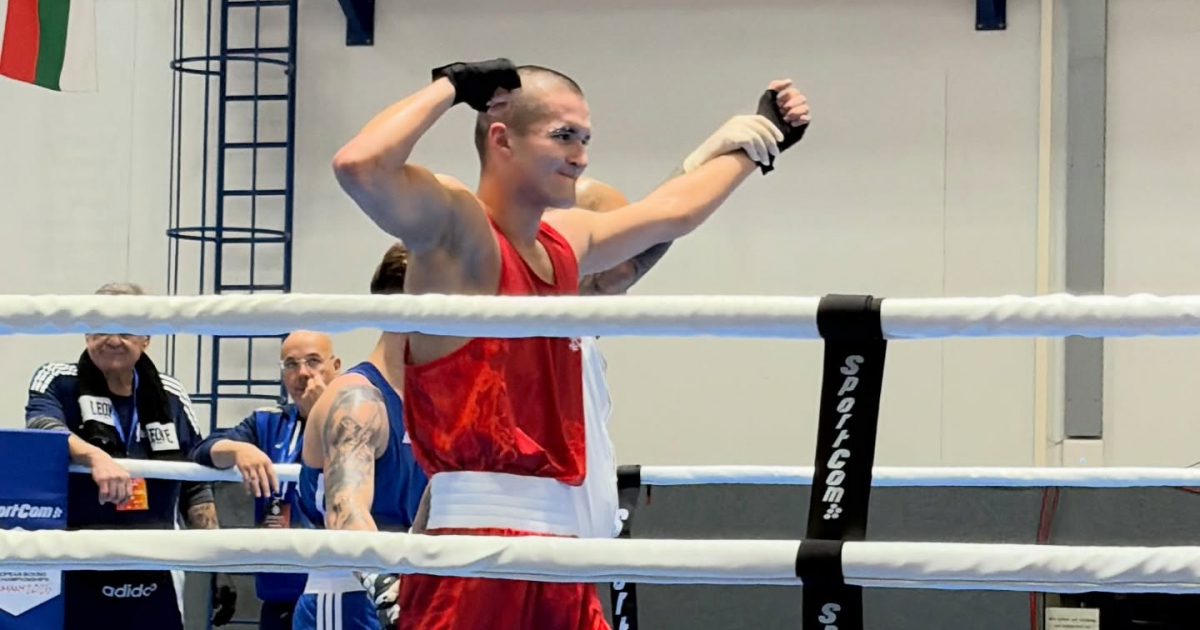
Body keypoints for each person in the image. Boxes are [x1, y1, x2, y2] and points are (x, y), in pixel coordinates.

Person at [332, 59, 809, 630]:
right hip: (477, 557)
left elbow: (671, 213)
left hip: (566, 555)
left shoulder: (565, 242)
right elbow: (360, 166)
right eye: (563, 136)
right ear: (502, 139)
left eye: (585, 139)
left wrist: (757, 141)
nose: (580, 156)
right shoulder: (460, 233)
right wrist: (452, 87)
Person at [23, 282, 237, 630]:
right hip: (76, 567)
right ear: (86, 331)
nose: (113, 339)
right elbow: (41, 427)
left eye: (125, 329)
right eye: (102, 327)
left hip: (153, 569)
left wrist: (220, 567)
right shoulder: (58, 380)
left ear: (146, 337)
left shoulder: (170, 393)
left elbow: (195, 484)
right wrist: (95, 457)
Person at [290, 243, 429, 630]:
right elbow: (345, 511)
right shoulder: (358, 400)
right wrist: (390, 594)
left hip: (412, 589)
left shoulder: (428, 400)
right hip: (351, 598)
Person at [190, 331, 341, 630]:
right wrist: (238, 450)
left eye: (313, 361)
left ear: (335, 366)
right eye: (291, 364)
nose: (303, 373)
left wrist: (323, 415)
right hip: (277, 590)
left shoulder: (357, 420)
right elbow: (202, 451)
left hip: (334, 589)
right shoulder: (268, 421)